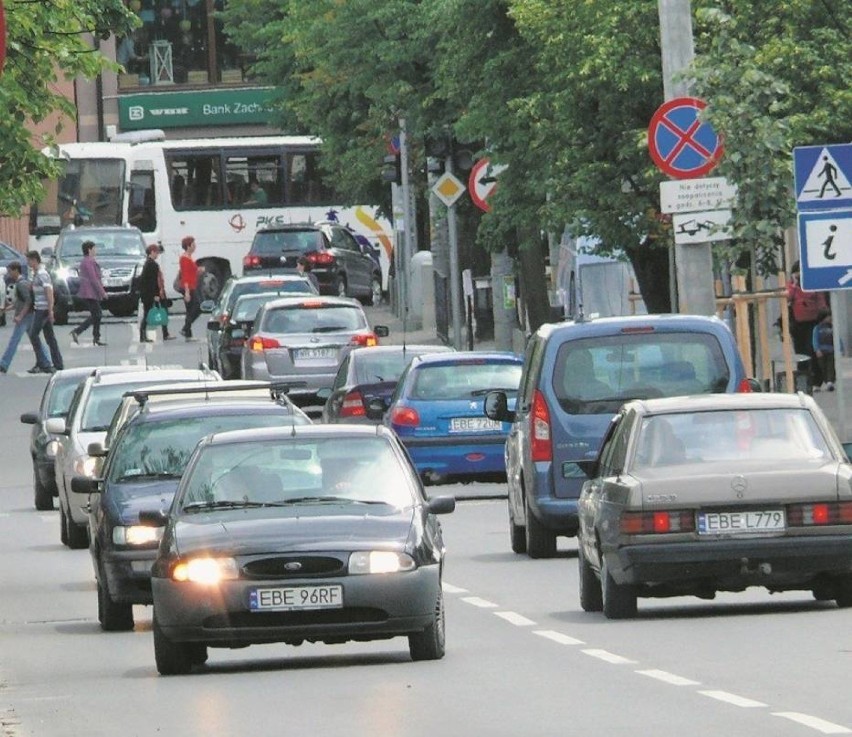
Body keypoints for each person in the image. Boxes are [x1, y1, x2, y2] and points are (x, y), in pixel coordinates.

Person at [787, 261, 827, 388]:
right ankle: (802, 381)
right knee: (801, 353)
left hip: (813, 322)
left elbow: (822, 302)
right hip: (798, 324)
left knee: (812, 350)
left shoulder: (813, 285)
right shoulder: (792, 286)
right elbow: (787, 298)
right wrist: (794, 284)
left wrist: (824, 314)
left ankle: (817, 380)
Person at [0, 262, 44, 374]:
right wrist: (6, 309)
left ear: (16, 270)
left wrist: (20, 316)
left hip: (26, 317)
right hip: (28, 316)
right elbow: (18, 302)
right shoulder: (20, 283)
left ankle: (4, 364)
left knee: (14, 341)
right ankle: (46, 361)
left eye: (10, 271)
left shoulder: (21, 284)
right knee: (36, 340)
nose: (9, 274)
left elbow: (28, 301)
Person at [26, 251, 64, 374]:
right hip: (39, 308)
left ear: (34, 260)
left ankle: (44, 363)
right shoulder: (35, 274)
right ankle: (56, 363)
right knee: (49, 337)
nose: (28, 263)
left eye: (29, 260)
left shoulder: (43, 274)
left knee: (33, 334)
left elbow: (49, 292)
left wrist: (50, 310)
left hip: (43, 310)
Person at [70, 240, 107, 346]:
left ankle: (96, 337)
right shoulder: (88, 262)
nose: (96, 250)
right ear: (89, 250)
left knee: (97, 314)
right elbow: (93, 278)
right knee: (97, 314)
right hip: (90, 292)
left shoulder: (88, 261)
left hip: (90, 292)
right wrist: (102, 292)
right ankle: (78, 331)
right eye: (94, 248)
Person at [138, 244, 174, 343]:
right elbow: (152, 282)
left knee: (158, 312)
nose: (157, 254)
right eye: (156, 252)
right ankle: (145, 335)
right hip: (152, 294)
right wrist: (156, 295)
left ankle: (146, 335)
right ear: (152, 252)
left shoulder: (148, 263)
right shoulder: (152, 265)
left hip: (149, 294)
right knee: (151, 313)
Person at [178, 235, 204, 341]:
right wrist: (187, 292)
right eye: (193, 245)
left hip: (192, 286)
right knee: (197, 307)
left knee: (189, 310)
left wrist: (198, 270)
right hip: (188, 287)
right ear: (188, 246)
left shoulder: (188, 257)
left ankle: (188, 334)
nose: (195, 247)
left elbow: (192, 272)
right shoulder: (184, 258)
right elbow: (185, 275)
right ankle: (185, 328)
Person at [812, 309, 836, 392]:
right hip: (821, 352)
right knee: (822, 367)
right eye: (828, 316)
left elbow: (836, 338)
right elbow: (815, 339)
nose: (830, 318)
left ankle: (830, 382)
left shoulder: (832, 327)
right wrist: (817, 349)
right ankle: (824, 381)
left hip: (831, 351)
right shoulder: (817, 328)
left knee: (830, 366)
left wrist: (840, 348)